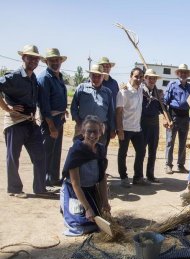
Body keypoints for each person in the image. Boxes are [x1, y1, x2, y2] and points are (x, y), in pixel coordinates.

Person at [0, 45, 54, 198]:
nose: (34, 61)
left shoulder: (33, 78)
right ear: (23, 57)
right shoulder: (13, 76)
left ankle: (40, 188)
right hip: (15, 122)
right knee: (13, 156)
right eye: (30, 57)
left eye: (36, 58)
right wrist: (7, 107)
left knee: (40, 155)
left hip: (30, 122)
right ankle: (15, 189)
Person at [60, 115, 111, 236]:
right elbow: (75, 184)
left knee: (99, 222)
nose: (92, 135)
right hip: (74, 192)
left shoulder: (101, 149)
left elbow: (102, 179)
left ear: (100, 133)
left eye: (96, 132)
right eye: (89, 131)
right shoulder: (76, 151)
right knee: (80, 226)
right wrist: (87, 208)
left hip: (91, 190)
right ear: (83, 132)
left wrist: (105, 201)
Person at [38, 48, 68, 187]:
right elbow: (44, 105)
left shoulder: (59, 76)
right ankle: (43, 182)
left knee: (56, 151)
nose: (55, 62)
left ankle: (53, 178)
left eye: (57, 60)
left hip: (59, 119)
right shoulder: (44, 78)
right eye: (52, 60)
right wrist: (51, 126)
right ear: (47, 62)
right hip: (50, 121)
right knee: (46, 152)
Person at [116, 67, 148, 186]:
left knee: (141, 151)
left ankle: (138, 177)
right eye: (136, 76)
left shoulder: (140, 90)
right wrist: (119, 129)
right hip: (125, 128)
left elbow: (151, 86)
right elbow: (119, 112)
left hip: (137, 128)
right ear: (130, 76)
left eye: (140, 77)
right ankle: (123, 178)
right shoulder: (123, 92)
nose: (138, 79)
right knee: (122, 153)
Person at [70, 64, 115, 146]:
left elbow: (111, 112)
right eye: (94, 76)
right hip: (82, 127)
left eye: (99, 76)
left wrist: (112, 129)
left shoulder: (108, 92)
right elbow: (73, 107)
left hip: (100, 129)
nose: (96, 79)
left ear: (103, 77)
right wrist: (79, 122)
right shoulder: (81, 88)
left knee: (98, 154)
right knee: (80, 152)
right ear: (90, 76)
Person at [164, 64, 190, 174]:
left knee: (183, 142)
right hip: (173, 116)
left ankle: (181, 165)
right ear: (178, 73)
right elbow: (165, 102)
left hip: (185, 117)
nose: (183, 74)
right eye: (181, 72)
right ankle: (168, 165)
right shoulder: (172, 85)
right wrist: (166, 118)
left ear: (187, 74)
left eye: (185, 72)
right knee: (170, 141)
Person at [142, 69, 167, 183]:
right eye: (150, 78)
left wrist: (167, 118)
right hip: (142, 123)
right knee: (141, 151)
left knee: (153, 151)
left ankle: (150, 175)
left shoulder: (159, 93)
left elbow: (163, 109)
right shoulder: (140, 91)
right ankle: (139, 176)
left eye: (154, 78)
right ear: (145, 78)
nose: (152, 80)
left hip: (154, 124)